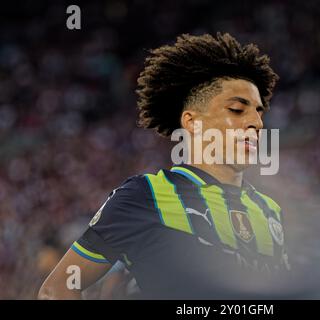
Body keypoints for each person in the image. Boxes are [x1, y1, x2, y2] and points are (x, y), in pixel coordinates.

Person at [38, 32, 291, 299]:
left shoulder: (269, 210)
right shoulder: (146, 196)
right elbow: (58, 289)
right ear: (193, 122)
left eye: (259, 111)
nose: (257, 123)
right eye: (238, 110)